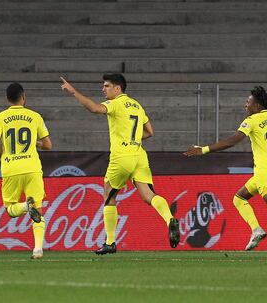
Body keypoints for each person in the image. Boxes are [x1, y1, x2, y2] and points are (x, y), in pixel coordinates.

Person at [60, 74, 180, 255]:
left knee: (109, 194)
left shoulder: (115, 103)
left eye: (107, 86)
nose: (103, 89)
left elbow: (94, 108)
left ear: (118, 89)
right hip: (139, 154)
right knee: (149, 195)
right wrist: (132, 140)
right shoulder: (137, 106)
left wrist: (73, 92)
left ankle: (110, 242)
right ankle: (170, 219)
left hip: (122, 156)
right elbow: (150, 132)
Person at [184, 86, 267, 250]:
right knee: (239, 198)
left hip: (265, 170)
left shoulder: (251, 120)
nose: (245, 105)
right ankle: (256, 230)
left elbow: (232, 141)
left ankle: (257, 229)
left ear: (256, 105)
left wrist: (204, 149)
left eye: (248, 102)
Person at [0, 82, 52, 259]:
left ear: (7, 99)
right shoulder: (35, 116)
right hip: (32, 168)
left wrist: (1, 154)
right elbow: (48, 145)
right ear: (23, 97)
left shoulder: (0, 117)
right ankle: (38, 249)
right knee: (38, 210)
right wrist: (36, 143)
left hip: (11, 168)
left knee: (10, 209)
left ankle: (25, 206)